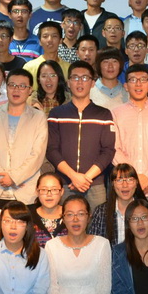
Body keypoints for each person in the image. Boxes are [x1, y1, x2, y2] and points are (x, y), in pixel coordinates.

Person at [47, 61, 117, 208]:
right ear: (68, 82)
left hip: (94, 184)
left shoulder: (104, 114)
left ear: (92, 83)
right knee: (66, 221)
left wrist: (86, 178)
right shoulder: (56, 114)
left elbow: (108, 151)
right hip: (65, 183)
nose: (80, 82)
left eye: (85, 78)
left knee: (97, 222)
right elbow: (51, 149)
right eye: (75, 77)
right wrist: (73, 176)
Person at [0, 69, 48, 208]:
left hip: (26, 190)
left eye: (22, 86)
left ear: (30, 90)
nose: (16, 90)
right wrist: (2, 176)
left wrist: (14, 177)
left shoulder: (39, 117)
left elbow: (37, 154)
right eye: (12, 85)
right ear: (6, 87)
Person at [111, 72, 148, 209]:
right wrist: (133, 177)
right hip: (125, 187)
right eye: (133, 80)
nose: (138, 84)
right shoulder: (116, 113)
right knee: (124, 222)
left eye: (143, 80)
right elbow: (114, 149)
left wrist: (147, 177)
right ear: (126, 86)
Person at [87, 164, 147, 245]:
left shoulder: (145, 210)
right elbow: (94, 244)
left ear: (136, 183)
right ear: (113, 184)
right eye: (119, 180)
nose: (125, 185)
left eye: (130, 180)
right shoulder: (101, 211)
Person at [32, 173, 67, 246]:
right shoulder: (28, 217)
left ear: (62, 192)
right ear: (37, 191)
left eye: (54, 189)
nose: (49, 194)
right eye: (44, 189)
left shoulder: (70, 216)